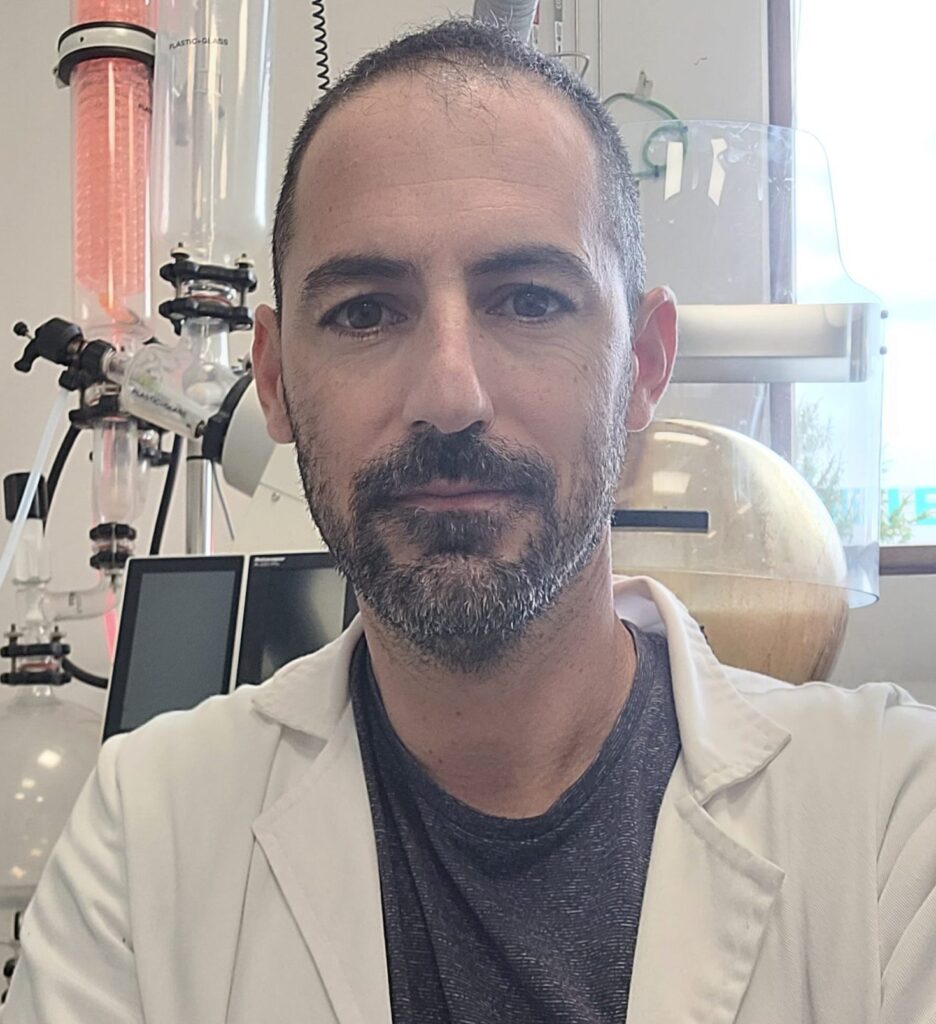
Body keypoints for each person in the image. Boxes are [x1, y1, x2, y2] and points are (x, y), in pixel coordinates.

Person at [4, 18, 936, 1024]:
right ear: (272, 379)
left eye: (530, 301)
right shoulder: (145, 835)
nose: (450, 396)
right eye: (365, 311)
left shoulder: (890, 820)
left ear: (643, 365)